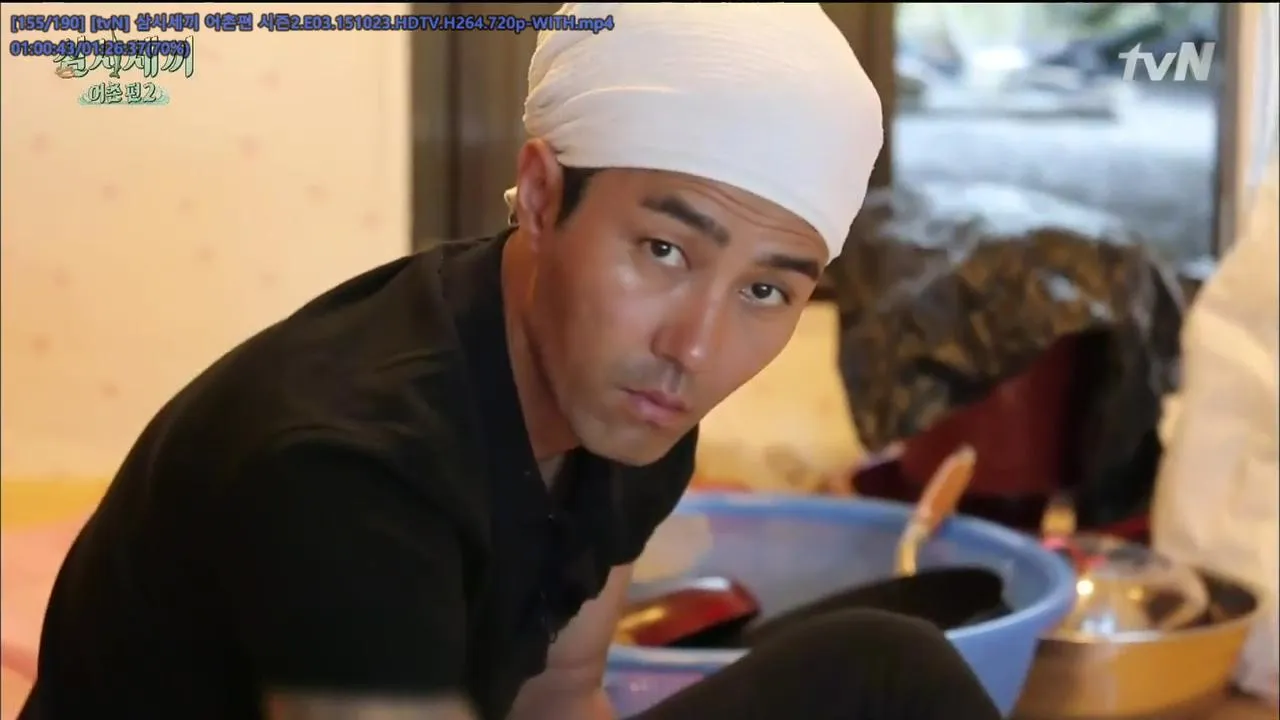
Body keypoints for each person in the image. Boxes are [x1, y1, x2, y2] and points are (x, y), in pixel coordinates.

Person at [22, 4, 1003, 720]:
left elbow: (558, 694)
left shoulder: (630, 399)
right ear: (539, 195)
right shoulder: (346, 475)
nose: (696, 349)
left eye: (764, 291)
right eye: (664, 250)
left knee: (886, 672)